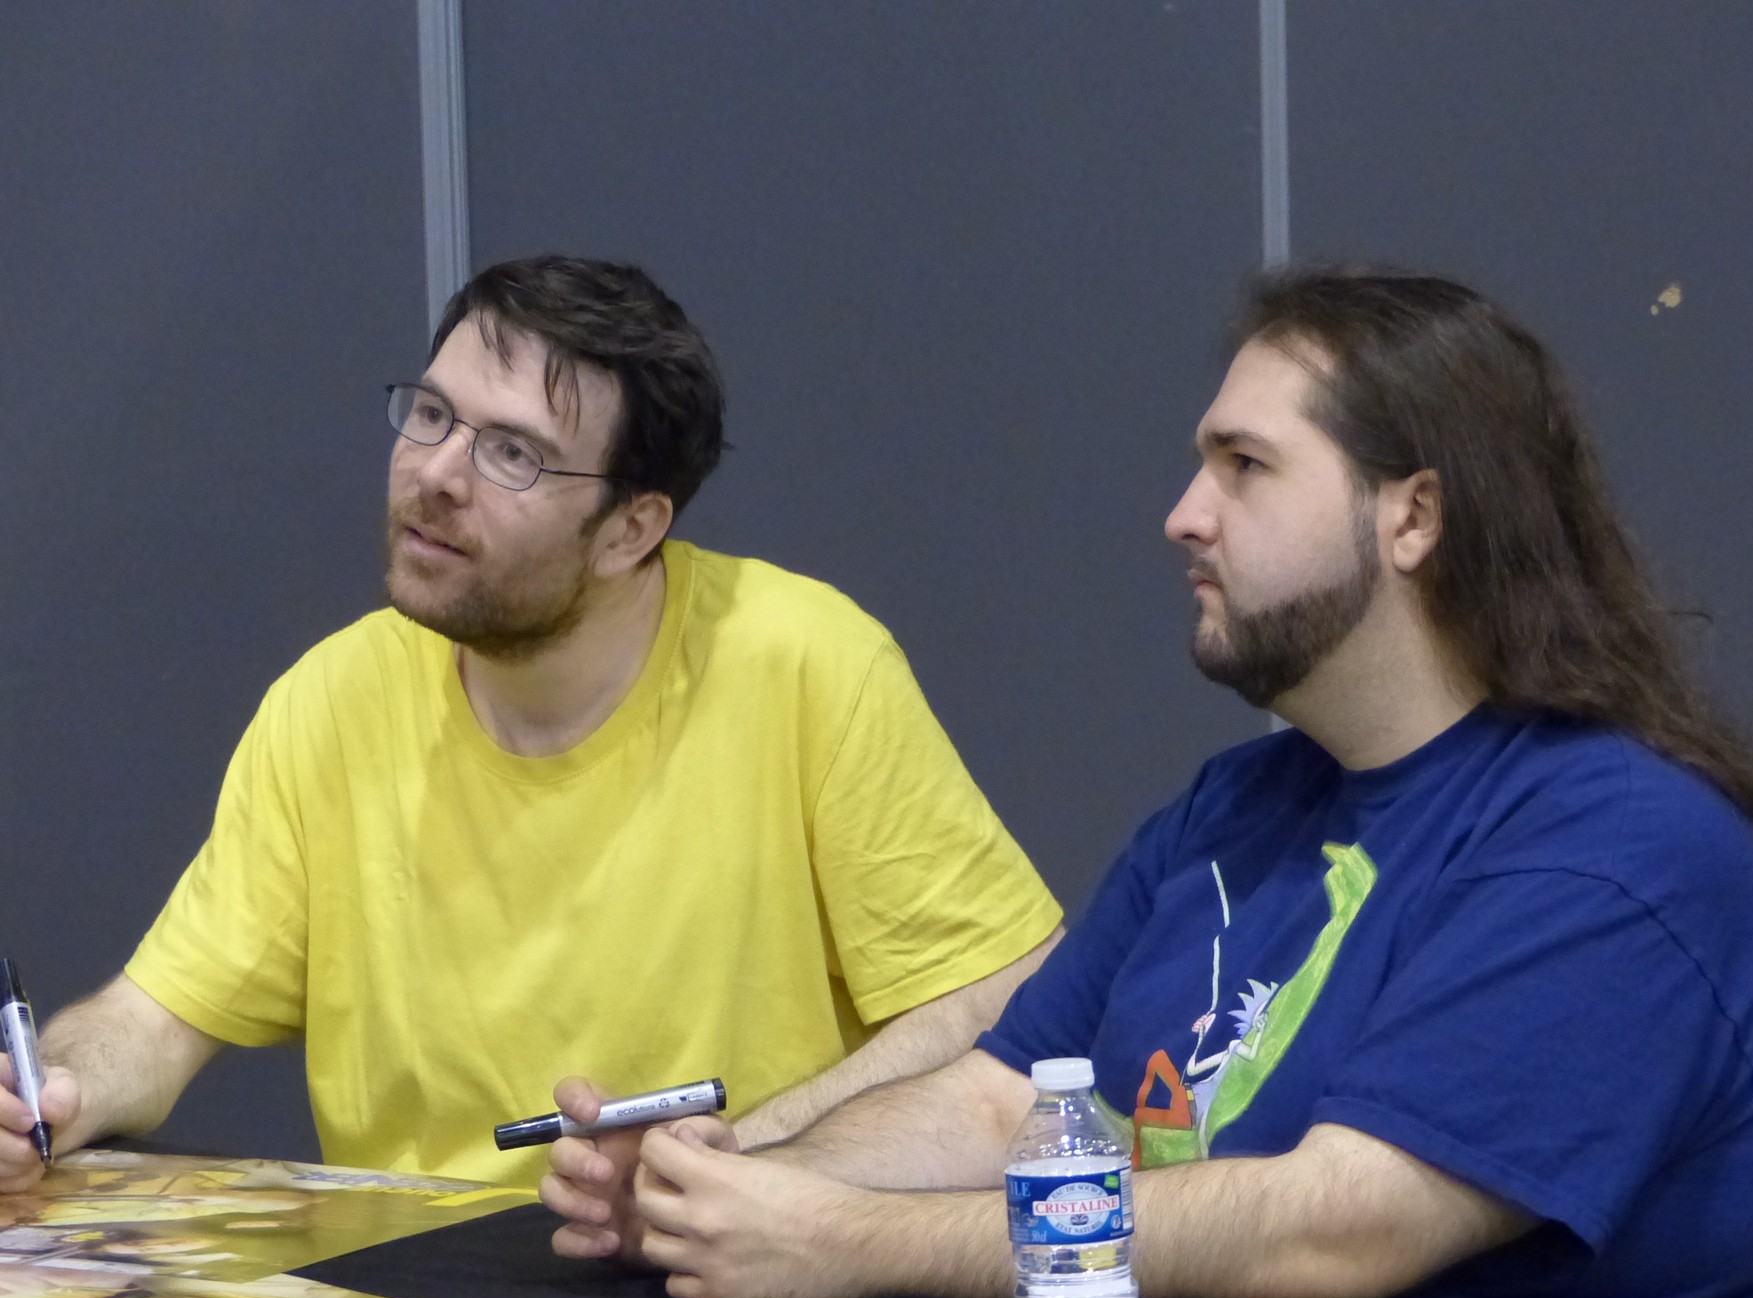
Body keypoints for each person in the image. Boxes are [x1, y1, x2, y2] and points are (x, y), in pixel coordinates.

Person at [542, 267, 1753, 1298]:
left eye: (1245, 466)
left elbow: (1344, 1224)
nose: (1184, 514)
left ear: (1411, 516)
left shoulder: (1619, 846)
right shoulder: (1236, 807)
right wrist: (733, 1180)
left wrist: (843, 1238)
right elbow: (1002, 1102)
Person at [0, 255, 1061, 1192]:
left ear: (630, 529)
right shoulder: (333, 699)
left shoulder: (806, 664)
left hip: (721, 1271)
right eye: (430, 414)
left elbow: (1003, 999)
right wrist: (55, 1091)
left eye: (512, 454)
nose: (436, 475)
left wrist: (751, 1155)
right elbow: (155, 1020)